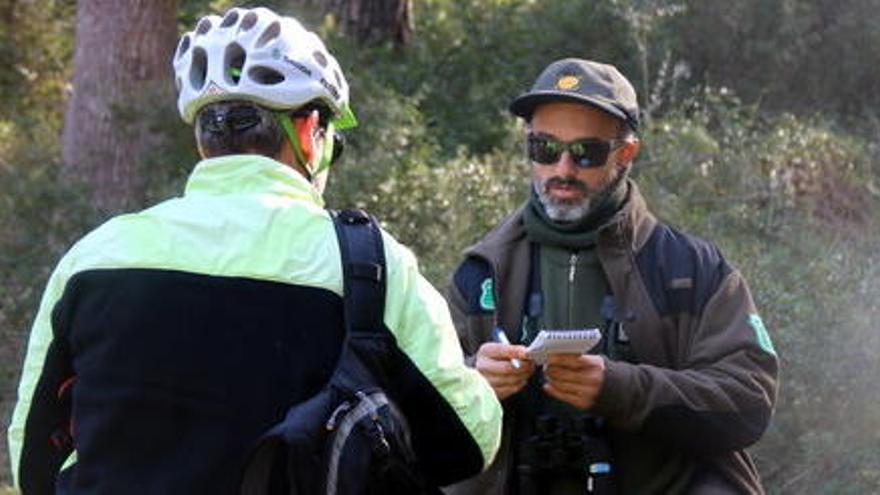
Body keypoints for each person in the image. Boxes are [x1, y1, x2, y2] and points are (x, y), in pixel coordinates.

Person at [7, 7, 501, 493]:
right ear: (310, 134)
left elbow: (33, 454)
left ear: (203, 138)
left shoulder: (96, 256)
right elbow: (468, 441)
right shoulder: (368, 264)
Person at [444, 58, 779, 494]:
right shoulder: (480, 273)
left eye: (586, 152)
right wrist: (474, 380)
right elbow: (415, 402)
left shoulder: (692, 270)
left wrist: (620, 388)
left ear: (626, 154)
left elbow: (748, 400)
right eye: (545, 149)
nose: (563, 169)